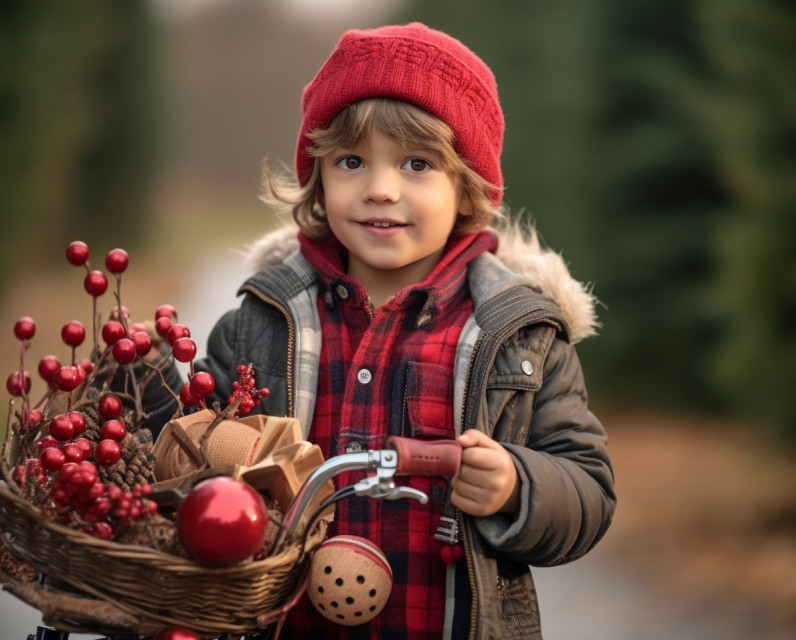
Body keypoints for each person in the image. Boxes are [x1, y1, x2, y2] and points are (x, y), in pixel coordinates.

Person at [171, 22, 615, 640]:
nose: (381, 189)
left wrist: (519, 484)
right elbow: (184, 456)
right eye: (352, 161)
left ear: (466, 189)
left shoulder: (517, 336)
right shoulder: (259, 325)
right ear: (319, 181)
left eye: (416, 164)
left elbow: (589, 490)